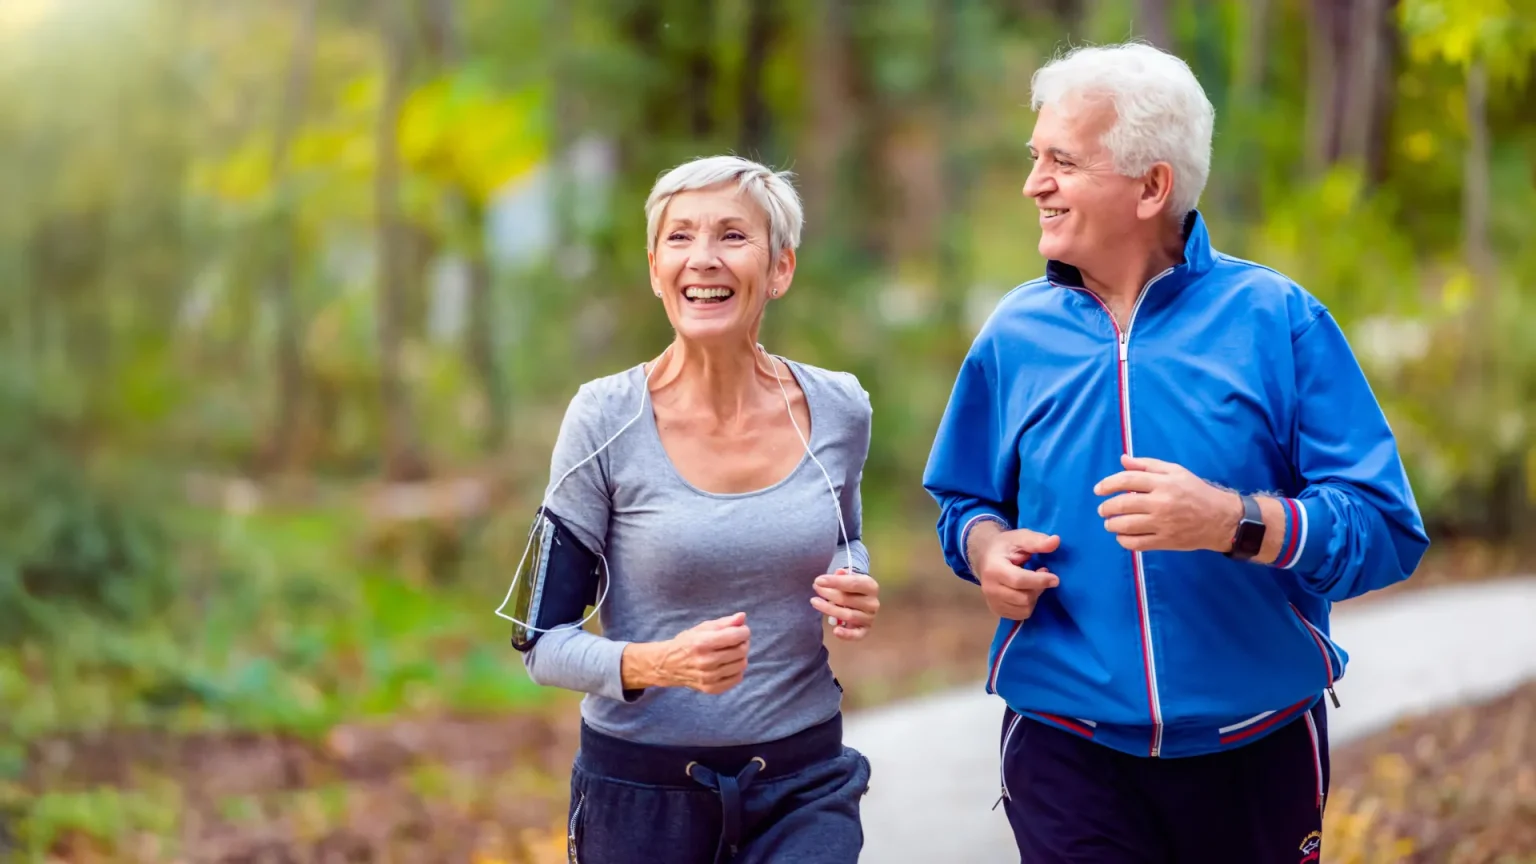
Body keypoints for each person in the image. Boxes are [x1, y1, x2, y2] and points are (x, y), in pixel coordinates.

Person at [922, 42, 1429, 863]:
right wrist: (986, 551)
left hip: (1256, 750)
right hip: (1065, 744)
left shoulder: (1278, 320)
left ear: (1151, 186)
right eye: (1034, 158)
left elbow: (1384, 531)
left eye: (1061, 161)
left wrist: (1233, 521)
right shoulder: (1014, 335)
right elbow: (964, 502)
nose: (1034, 184)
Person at [501, 155, 880, 864]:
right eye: (680, 238)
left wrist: (849, 578)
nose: (703, 258)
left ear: (779, 269)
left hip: (802, 782)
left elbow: (845, 537)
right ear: (654, 270)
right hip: (642, 797)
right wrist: (660, 662)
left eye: (733, 236)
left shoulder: (837, 408)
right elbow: (539, 642)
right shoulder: (602, 418)